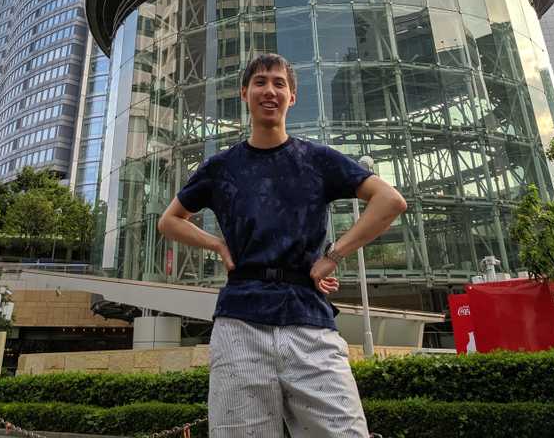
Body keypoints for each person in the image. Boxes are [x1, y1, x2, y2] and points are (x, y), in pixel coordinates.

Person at [158, 52, 407, 438]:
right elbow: (169, 221)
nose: (269, 91)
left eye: (279, 83)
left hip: (309, 319)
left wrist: (333, 256)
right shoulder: (220, 167)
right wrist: (219, 246)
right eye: (260, 82)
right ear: (244, 93)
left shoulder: (317, 159)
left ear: (293, 97)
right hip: (240, 320)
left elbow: (390, 201)